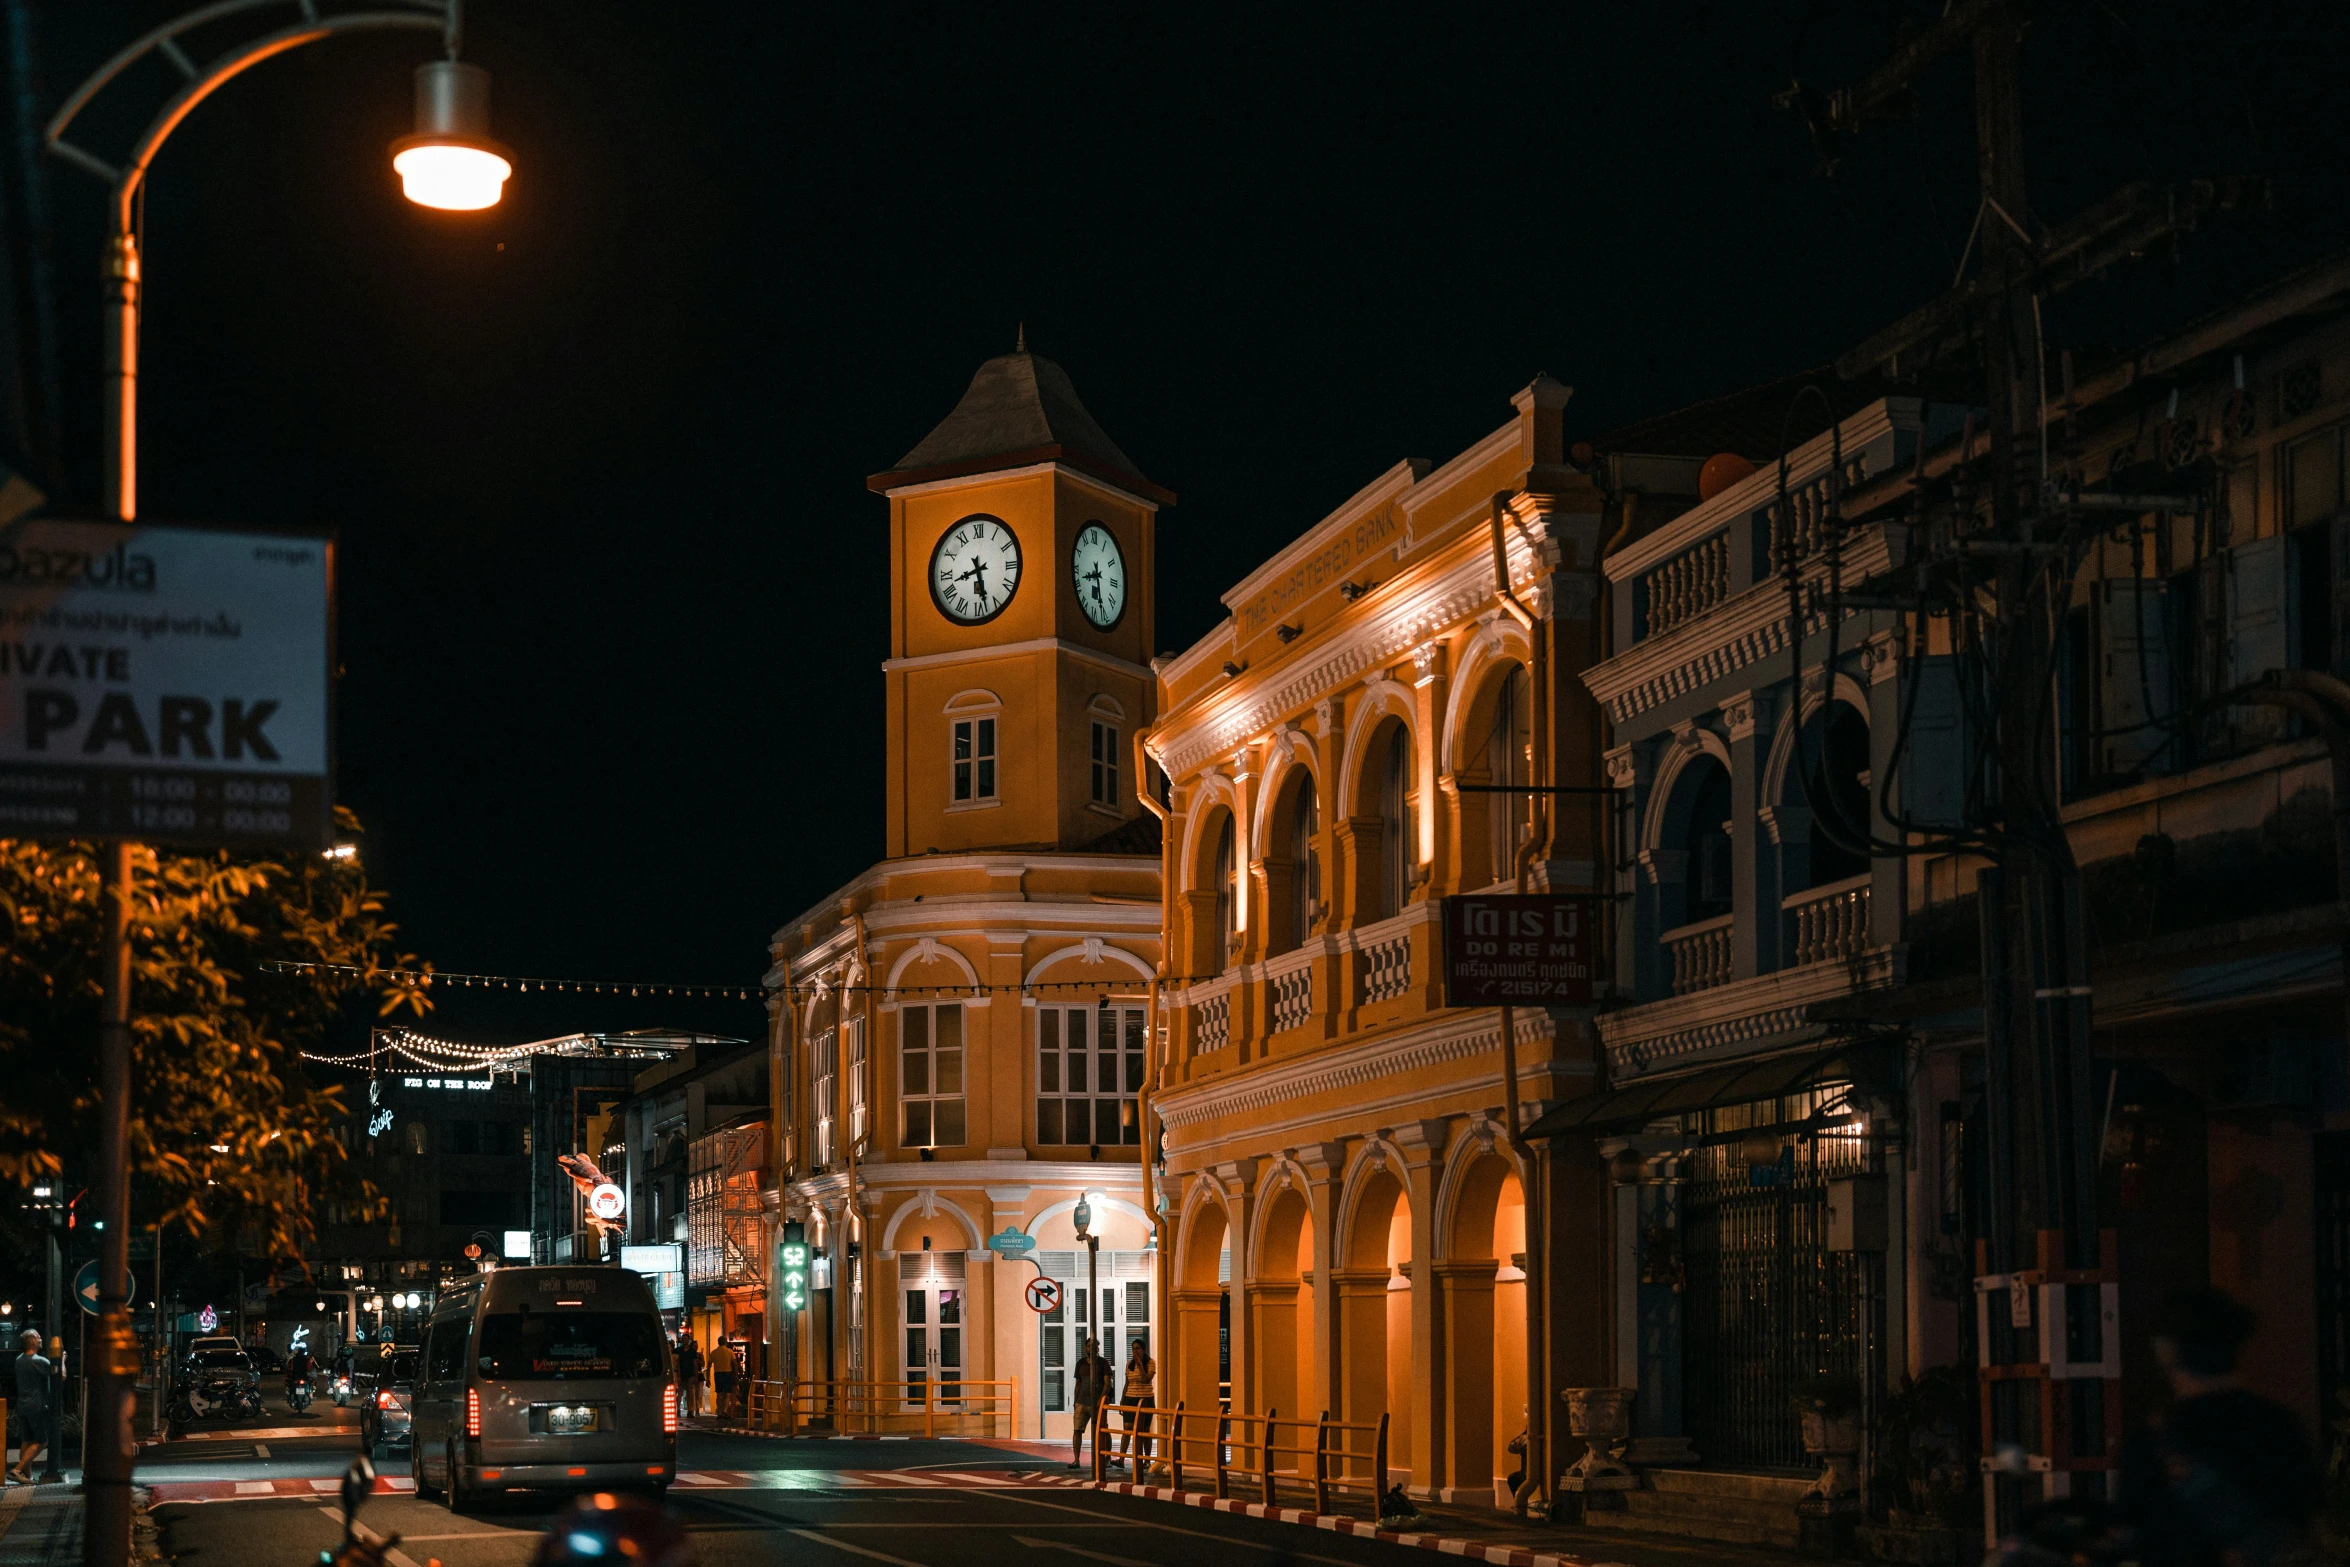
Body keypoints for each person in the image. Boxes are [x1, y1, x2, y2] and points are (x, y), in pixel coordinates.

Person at [2113, 1287, 2322, 1567]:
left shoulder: (2151, 1444)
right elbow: (2308, 1521)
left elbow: (2134, 1535)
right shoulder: (2283, 1427)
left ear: (2166, 1351)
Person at [8, 1330, 50, 1483]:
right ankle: (17, 1470)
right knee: (42, 1441)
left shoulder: (19, 1360)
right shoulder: (39, 1361)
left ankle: (28, 1476)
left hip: (23, 1405)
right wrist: (62, 1360)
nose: (40, 1339)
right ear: (32, 1341)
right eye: (38, 1337)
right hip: (37, 1406)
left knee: (26, 1441)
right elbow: (61, 1375)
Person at [1116, 1338, 1157, 1471]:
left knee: (1144, 1430)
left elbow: (1146, 1380)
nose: (1135, 1351)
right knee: (1127, 1429)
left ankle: (1146, 1460)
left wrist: (1140, 1364)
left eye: (1138, 1348)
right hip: (1130, 1398)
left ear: (1144, 1350)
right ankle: (1121, 1459)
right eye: (1133, 1348)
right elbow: (1127, 1383)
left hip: (1145, 1399)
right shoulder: (1129, 1364)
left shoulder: (1150, 1363)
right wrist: (1122, 1400)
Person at [1069, 1336, 1109, 1470]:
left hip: (1096, 1403)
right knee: (1077, 1430)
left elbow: (1107, 1384)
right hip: (1081, 1402)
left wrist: (1100, 1400)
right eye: (1089, 1347)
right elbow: (1078, 1384)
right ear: (1085, 1348)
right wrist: (1075, 1401)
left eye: (1094, 1347)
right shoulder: (1080, 1363)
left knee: (1102, 1430)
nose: (1091, 1349)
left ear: (1097, 1349)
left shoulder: (1103, 1363)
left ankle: (1106, 1458)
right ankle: (1076, 1460)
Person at [676, 1335, 703, 1420]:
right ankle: (677, 1410)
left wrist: (695, 1376)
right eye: (683, 1339)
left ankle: (690, 1411)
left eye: (686, 1339)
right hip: (680, 1375)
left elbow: (695, 1363)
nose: (684, 1340)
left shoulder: (692, 1352)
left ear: (689, 1340)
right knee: (679, 1394)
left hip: (689, 1374)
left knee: (690, 1394)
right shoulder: (678, 1350)